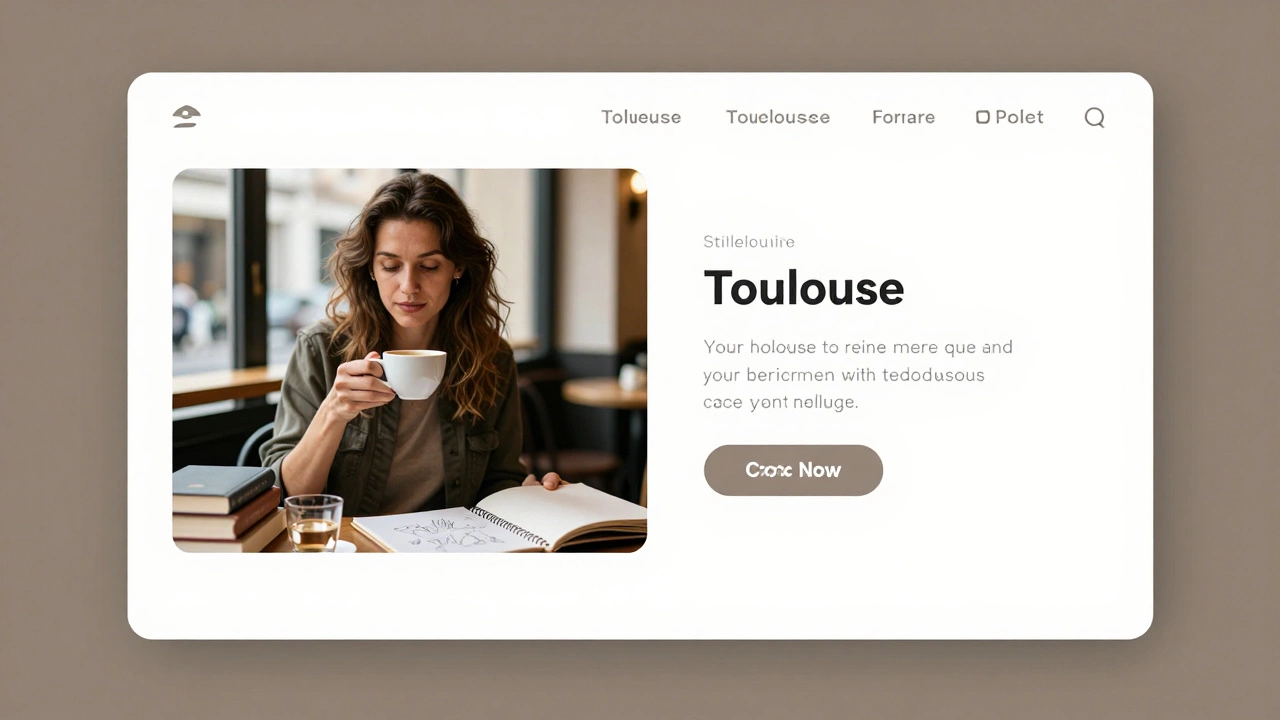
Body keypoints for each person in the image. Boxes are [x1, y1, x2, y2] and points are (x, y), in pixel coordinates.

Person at [260, 172, 563, 516]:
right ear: (371, 268)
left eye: (429, 266)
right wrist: (333, 413)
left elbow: (499, 478)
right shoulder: (321, 348)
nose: (408, 286)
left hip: (451, 541)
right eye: (390, 266)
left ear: (458, 267)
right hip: (351, 543)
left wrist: (528, 495)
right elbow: (290, 496)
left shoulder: (491, 357)